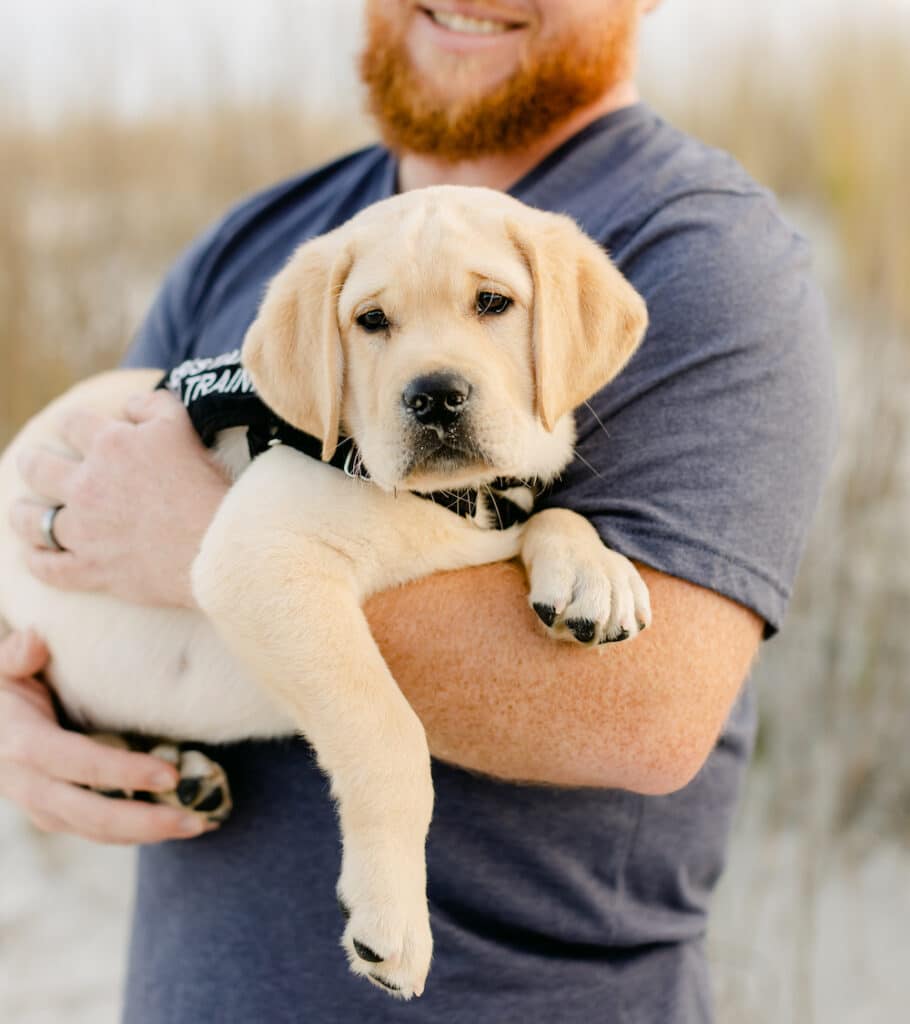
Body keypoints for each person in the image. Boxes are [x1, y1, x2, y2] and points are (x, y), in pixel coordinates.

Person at [0, 1, 836, 1020]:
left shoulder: (700, 249)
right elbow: (74, 528)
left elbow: (651, 713)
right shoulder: (264, 244)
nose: (427, 378)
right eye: (378, 326)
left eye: (490, 305)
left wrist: (204, 542)